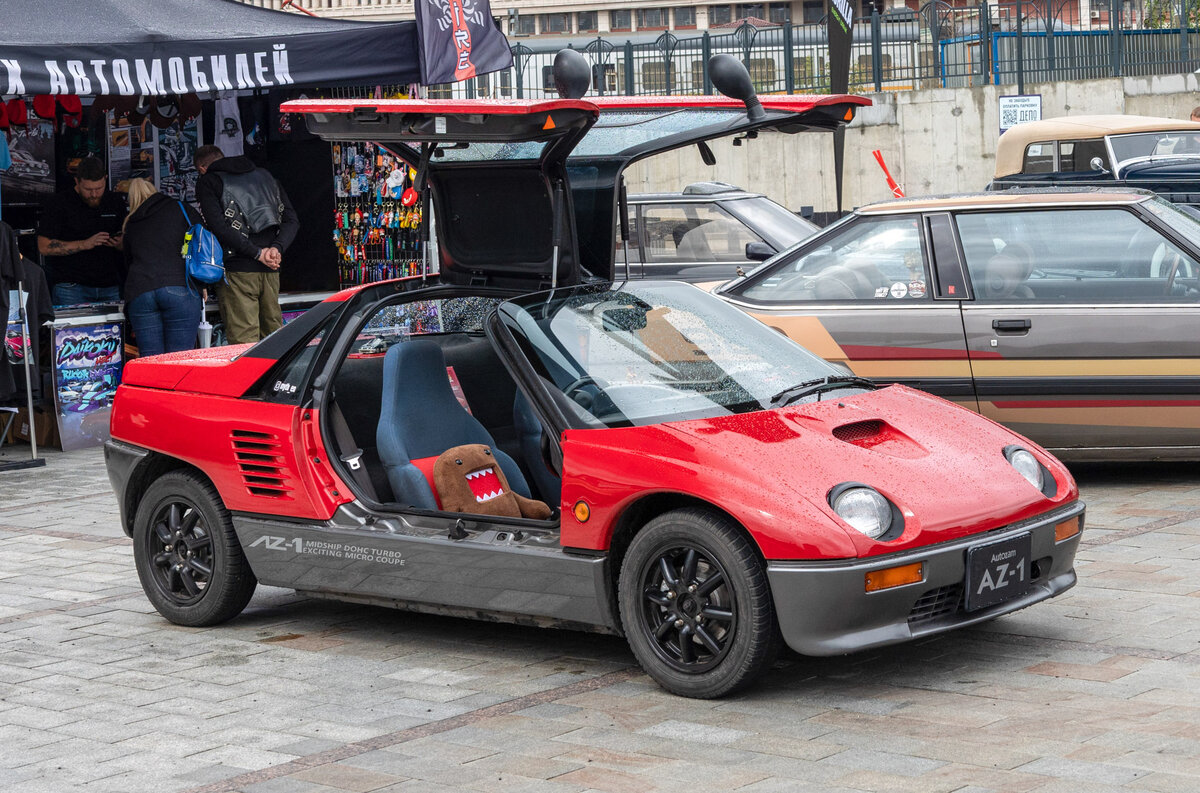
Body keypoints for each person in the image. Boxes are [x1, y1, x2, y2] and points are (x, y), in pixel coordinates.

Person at [194, 145, 298, 344]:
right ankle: (276, 376)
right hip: (271, 268)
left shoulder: (209, 181)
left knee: (244, 343)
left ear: (201, 168)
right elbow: (292, 220)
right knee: (274, 339)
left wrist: (257, 253)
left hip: (238, 269)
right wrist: (276, 248)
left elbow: (219, 227)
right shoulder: (266, 176)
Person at [120, 178, 202, 357]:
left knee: (152, 361)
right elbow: (201, 242)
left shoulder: (131, 222)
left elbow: (127, 262)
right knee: (179, 360)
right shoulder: (180, 208)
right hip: (178, 286)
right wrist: (202, 285)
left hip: (140, 292)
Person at [38, 157, 126, 306]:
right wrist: (84, 244)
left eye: (99, 188)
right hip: (71, 286)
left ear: (105, 179)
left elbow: (129, 240)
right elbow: (44, 246)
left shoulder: (115, 201)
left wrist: (119, 243)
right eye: (88, 189)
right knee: (70, 329)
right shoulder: (59, 203)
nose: (94, 194)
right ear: (77, 181)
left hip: (110, 285)